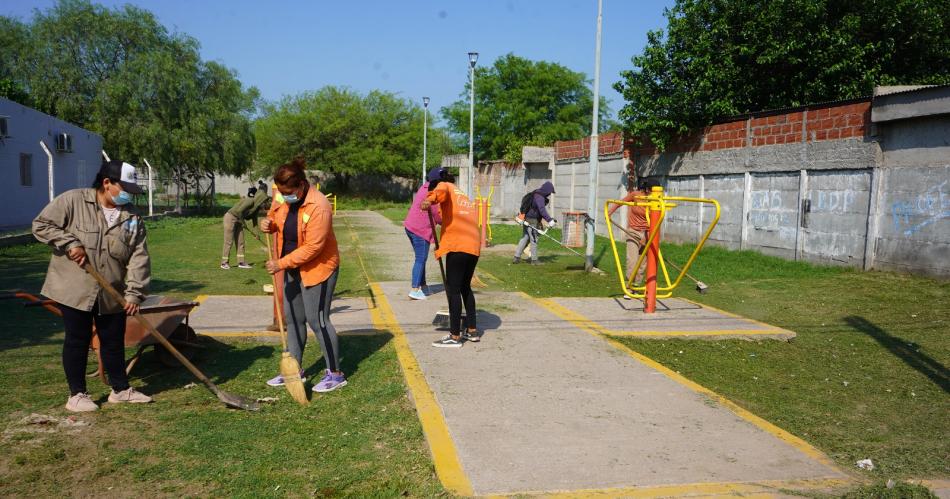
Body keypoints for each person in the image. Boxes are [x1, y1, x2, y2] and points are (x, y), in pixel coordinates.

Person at [32, 160, 153, 412]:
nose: (128, 194)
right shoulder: (73, 200)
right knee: (78, 339)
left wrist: (134, 293)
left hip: (112, 290)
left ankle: (120, 390)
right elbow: (41, 225)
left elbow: (139, 257)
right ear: (106, 183)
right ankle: (77, 394)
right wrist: (69, 242)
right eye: (125, 188)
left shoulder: (131, 216)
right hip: (74, 288)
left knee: (113, 340)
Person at [261, 158, 345, 392]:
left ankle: (335, 374)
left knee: (317, 320)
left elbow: (313, 248)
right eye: (281, 191)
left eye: (289, 192)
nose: (284, 196)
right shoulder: (281, 196)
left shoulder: (319, 205)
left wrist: (280, 263)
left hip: (318, 268)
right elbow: (275, 218)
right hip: (290, 267)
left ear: (301, 185)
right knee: (293, 319)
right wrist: (268, 224)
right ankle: (293, 369)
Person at [419, 171, 481, 347]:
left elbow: (438, 192)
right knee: (465, 287)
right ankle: (472, 331)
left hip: (458, 244)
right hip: (473, 245)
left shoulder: (444, 186)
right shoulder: (460, 193)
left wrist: (428, 200)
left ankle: (454, 336)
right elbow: (445, 215)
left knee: (453, 289)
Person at [607, 178, 660, 294]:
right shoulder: (636, 195)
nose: (654, 194)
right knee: (632, 260)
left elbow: (657, 220)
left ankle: (636, 285)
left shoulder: (656, 201)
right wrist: (609, 212)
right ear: (647, 189)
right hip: (633, 231)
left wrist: (646, 237)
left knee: (642, 264)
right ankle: (629, 286)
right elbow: (620, 202)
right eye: (652, 191)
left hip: (647, 233)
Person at [403, 167, 444, 300]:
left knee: (421, 258)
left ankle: (423, 285)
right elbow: (437, 217)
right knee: (420, 259)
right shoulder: (432, 193)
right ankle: (415, 289)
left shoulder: (424, 187)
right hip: (420, 230)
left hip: (410, 227)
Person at [221, 184, 270, 269]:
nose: (263, 203)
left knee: (241, 241)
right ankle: (224, 263)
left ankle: (241, 262)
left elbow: (255, 221)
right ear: (260, 198)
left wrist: (257, 234)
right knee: (229, 241)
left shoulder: (256, 207)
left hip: (239, 220)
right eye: (263, 201)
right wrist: (243, 223)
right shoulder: (250, 201)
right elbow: (239, 211)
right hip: (231, 217)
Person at [513, 181, 557, 265]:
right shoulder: (539, 197)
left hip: (527, 218)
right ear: (547, 190)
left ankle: (516, 257)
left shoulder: (536, 193)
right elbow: (542, 210)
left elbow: (539, 210)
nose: (549, 194)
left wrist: (541, 221)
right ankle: (534, 260)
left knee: (525, 238)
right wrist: (549, 220)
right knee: (534, 240)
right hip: (532, 220)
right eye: (550, 192)